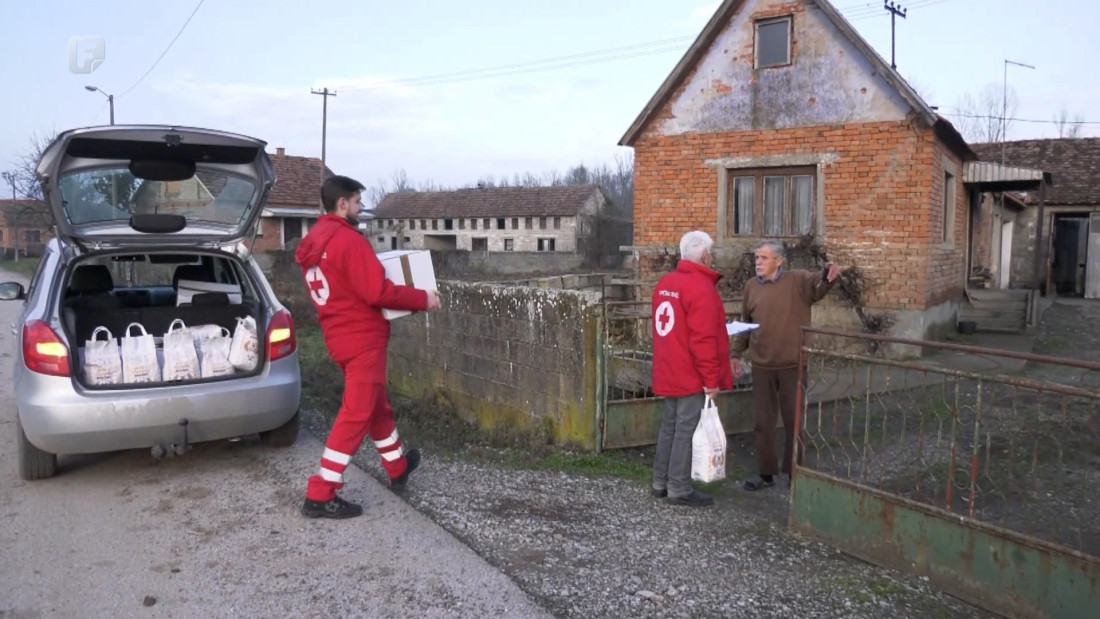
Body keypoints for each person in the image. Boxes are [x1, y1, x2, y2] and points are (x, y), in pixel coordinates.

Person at [295, 175, 441, 519]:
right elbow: (378, 291)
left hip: (339, 338)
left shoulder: (315, 240)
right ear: (342, 203)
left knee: (376, 407)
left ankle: (397, 467)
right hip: (363, 340)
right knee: (356, 413)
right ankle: (320, 493)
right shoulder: (349, 241)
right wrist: (424, 298)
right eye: (358, 202)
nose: (362, 208)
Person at [731, 240, 841, 491]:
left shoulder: (797, 281)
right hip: (762, 365)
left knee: (794, 421)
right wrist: (736, 353)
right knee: (763, 422)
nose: (758, 262)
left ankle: (795, 473)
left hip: (793, 364)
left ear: (779, 261)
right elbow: (745, 323)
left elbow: (819, 285)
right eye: (757, 257)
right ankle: (766, 473)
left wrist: (828, 275)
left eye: (764, 258)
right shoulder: (751, 287)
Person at [650, 231, 733, 507]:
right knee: (685, 428)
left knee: (669, 426)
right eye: (712, 253)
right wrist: (711, 379)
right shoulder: (701, 288)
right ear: (706, 255)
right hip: (689, 373)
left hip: (668, 366)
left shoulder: (665, 283)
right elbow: (704, 339)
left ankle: (660, 482)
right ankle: (679, 488)